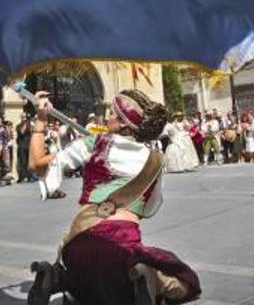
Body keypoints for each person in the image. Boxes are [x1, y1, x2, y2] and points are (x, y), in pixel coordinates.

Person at [27, 90, 200, 305]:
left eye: (112, 114)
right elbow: (148, 209)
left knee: (86, 279)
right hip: (121, 249)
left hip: (77, 245)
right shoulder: (156, 161)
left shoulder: (93, 144)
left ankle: (55, 276)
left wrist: (41, 119)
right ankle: (149, 278)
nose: (107, 117)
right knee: (184, 282)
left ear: (123, 124)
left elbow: (36, 164)